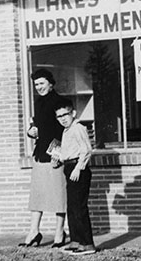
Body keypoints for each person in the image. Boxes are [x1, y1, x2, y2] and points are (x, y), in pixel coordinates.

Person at [19, 69, 67, 248]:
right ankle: (33, 232)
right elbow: (37, 126)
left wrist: (57, 154)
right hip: (40, 154)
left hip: (56, 154)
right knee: (37, 195)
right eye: (36, 84)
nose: (38, 87)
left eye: (41, 83)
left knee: (58, 195)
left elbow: (63, 130)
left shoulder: (61, 102)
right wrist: (31, 132)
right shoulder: (38, 103)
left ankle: (59, 232)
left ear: (50, 83)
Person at [54, 99, 96, 255]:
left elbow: (86, 150)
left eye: (65, 114)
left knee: (79, 207)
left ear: (73, 113)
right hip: (69, 167)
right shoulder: (66, 131)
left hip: (79, 169)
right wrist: (59, 159)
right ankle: (76, 240)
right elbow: (67, 152)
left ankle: (88, 244)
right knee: (72, 207)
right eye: (59, 116)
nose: (63, 118)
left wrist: (78, 168)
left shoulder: (78, 128)